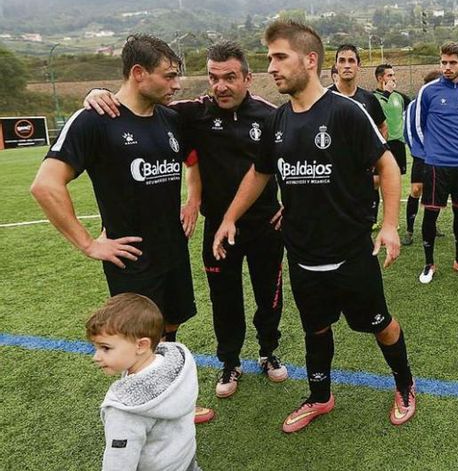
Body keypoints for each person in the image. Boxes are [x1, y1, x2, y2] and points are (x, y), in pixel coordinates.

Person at [212, 19, 415, 432]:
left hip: (352, 253)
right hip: (303, 255)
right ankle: (320, 396)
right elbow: (260, 173)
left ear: (309, 59)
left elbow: (388, 166)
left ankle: (405, 385)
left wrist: (390, 226)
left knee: (379, 323)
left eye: (279, 57)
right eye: (269, 58)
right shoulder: (278, 120)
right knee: (315, 329)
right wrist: (228, 218)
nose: (272, 67)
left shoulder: (345, 113)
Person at [83, 40, 288, 399]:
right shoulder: (190, 114)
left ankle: (269, 351)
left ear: (248, 78)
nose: (220, 86)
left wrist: (294, 203)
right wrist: (98, 92)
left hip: (265, 226)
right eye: (213, 77)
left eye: (229, 78)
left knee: (268, 296)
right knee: (224, 299)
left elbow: (294, 155)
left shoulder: (270, 115)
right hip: (218, 230)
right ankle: (229, 361)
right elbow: (139, 102)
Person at [31, 34, 214, 424]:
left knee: (170, 325)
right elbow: (45, 185)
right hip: (130, 255)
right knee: (137, 339)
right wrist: (88, 244)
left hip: (172, 248)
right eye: (168, 76)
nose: (176, 84)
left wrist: (192, 200)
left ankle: (168, 397)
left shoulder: (170, 118)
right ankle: (144, 411)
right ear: (137, 72)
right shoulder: (96, 120)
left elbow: (193, 159)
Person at [87, 293, 201, 471]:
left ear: (141, 345)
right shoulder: (177, 364)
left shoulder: (125, 410)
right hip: (185, 459)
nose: (96, 357)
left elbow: (119, 462)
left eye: (106, 348)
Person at [414, 42, 458, 283]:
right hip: (436, 165)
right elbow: (417, 126)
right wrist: (430, 152)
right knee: (431, 215)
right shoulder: (429, 91)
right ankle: (428, 263)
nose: (447, 67)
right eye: (444, 62)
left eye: (452, 63)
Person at [330, 44, 388, 226]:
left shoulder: (368, 99)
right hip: (332, 177)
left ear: (358, 66)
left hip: (361, 178)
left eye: (351, 61)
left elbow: (382, 127)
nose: (347, 65)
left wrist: (374, 157)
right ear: (336, 66)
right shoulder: (323, 97)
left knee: (362, 227)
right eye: (342, 61)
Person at [374, 64, 414, 243]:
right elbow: (379, 113)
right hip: (382, 145)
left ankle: (392, 221)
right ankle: (375, 217)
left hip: (398, 144)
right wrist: (388, 93)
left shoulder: (399, 96)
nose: (393, 78)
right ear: (380, 78)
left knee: (395, 181)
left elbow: (414, 106)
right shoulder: (373, 98)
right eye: (390, 75)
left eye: (394, 75)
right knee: (377, 182)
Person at [402, 70, 442, 246]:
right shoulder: (414, 105)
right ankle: (409, 230)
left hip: (439, 156)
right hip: (421, 156)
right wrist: (418, 151)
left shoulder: (441, 104)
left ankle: (432, 225)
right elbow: (409, 132)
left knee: (434, 192)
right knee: (417, 190)